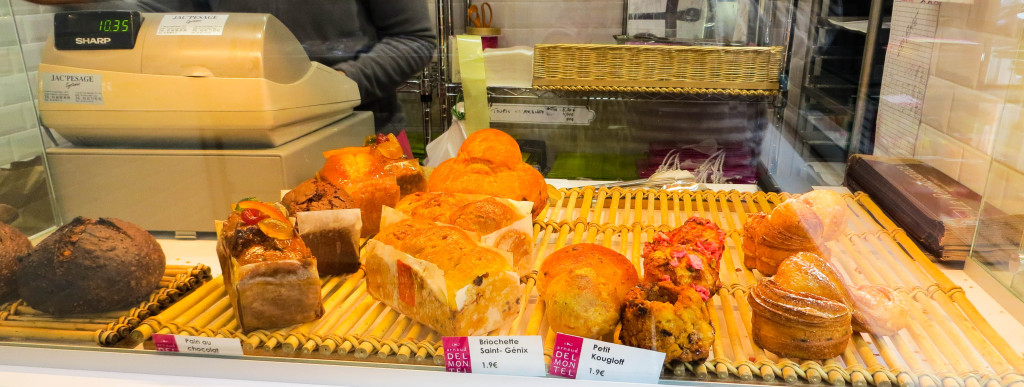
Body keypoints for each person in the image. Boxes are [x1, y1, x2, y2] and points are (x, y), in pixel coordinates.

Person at [31, 0, 437, 134]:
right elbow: (157, 16)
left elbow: (414, 39)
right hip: (237, 135)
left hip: (361, 130)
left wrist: (339, 84)